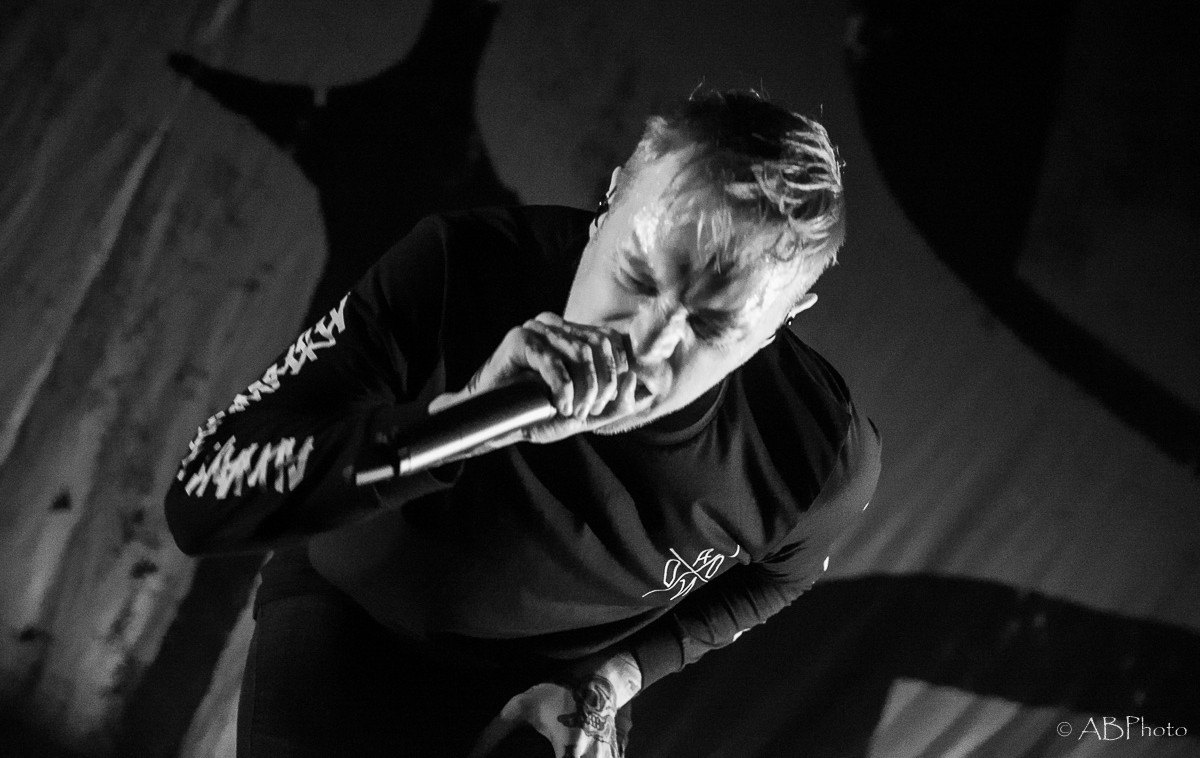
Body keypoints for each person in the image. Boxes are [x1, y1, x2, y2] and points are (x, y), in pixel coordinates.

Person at [165, 89, 882, 757]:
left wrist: (619, 676)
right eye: (636, 277)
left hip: (550, 694)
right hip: (352, 614)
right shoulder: (462, 267)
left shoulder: (817, 457)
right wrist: (463, 418)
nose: (647, 346)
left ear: (780, 322)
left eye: (710, 327)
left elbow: (778, 581)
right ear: (609, 203)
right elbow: (199, 497)